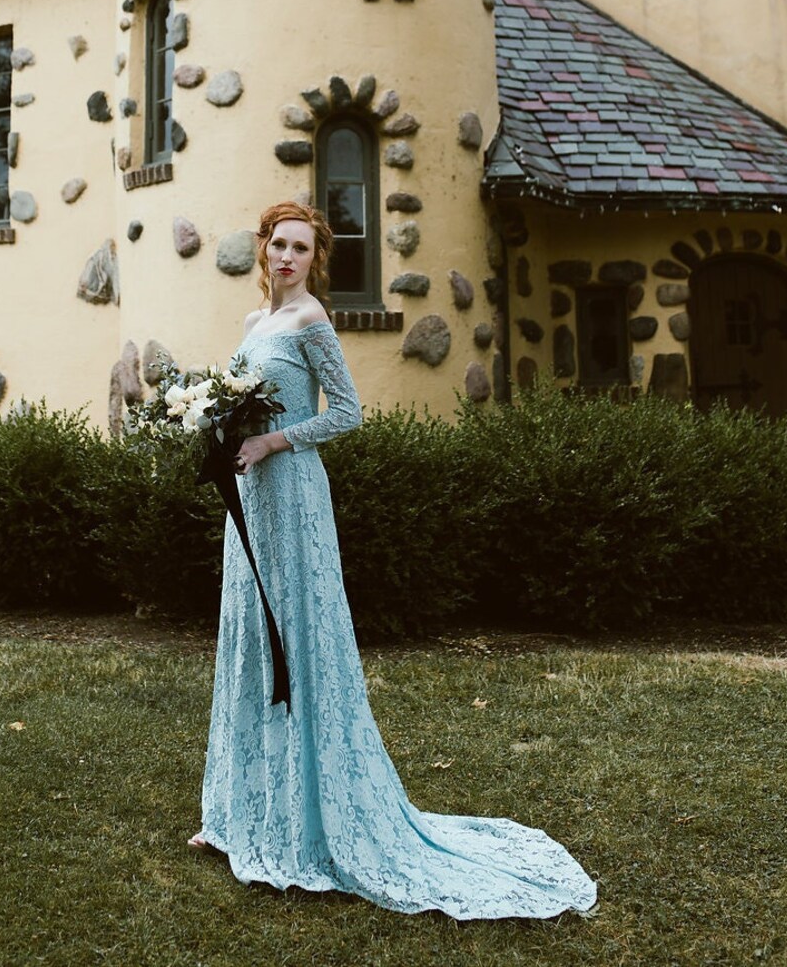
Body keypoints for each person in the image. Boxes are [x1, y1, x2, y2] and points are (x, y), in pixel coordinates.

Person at [188, 199, 598, 921]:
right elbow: (233, 405)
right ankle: (239, 817)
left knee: (302, 641)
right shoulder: (255, 325)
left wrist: (274, 442)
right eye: (278, 245)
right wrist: (208, 428)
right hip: (251, 502)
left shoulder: (313, 322)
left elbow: (347, 412)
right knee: (252, 635)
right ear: (262, 250)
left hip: (295, 496)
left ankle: (309, 824)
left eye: (301, 248)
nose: (287, 257)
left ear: (317, 259)